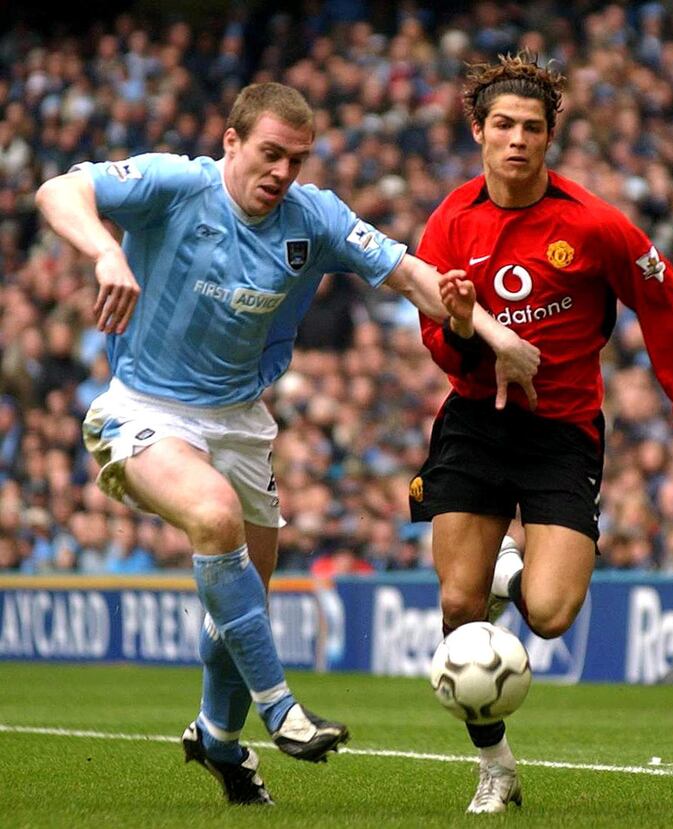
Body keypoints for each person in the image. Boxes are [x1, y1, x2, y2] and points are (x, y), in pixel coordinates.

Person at [35, 81, 539, 807]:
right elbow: (59, 190)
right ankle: (281, 710)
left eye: (296, 159)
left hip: (240, 419)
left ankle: (216, 737)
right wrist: (105, 253)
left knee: (240, 601)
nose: (282, 172)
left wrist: (494, 336)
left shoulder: (313, 217)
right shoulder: (178, 184)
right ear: (232, 142)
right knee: (214, 519)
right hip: (144, 408)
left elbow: (411, 275)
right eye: (270, 153)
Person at [409, 53, 673, 814]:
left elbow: (669, 305)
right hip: (475, 424)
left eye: (533, 128)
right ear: (478, 132)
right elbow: (435, 336)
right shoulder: (450, 221)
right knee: (458, 608)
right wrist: (457, 330)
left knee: (548, 615)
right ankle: (496, 766)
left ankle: (511, 567)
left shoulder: (594, 224)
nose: (518, 140)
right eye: (504, 126)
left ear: (552, 136)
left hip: (563, 430)